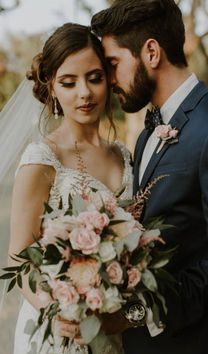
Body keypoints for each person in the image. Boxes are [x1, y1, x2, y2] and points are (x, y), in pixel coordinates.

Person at [91, 1, 208, 354]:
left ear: (151, 52)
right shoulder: (145, 135)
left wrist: (140, 313)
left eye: (113, 65)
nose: (110, 80)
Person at [1, 23, 132, 354]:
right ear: (52, 88)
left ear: (108, 78)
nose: (84, 93)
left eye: (94, 78)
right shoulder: (42, 159)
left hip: (113, 330)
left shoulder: (124, 155)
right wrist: (57, 309)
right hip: (57, 334)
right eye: (69, 83)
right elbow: (19, 255)